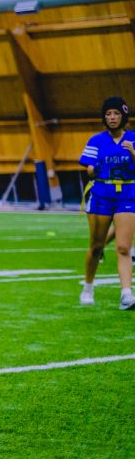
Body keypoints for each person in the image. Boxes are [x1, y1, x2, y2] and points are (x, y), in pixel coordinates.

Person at [78, 96, 134, 309]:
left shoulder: (133, 139)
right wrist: (92, 170)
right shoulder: (96, 140)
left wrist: (133, 153)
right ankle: (88, 286)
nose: (112, 117)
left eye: (116, 113)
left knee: (123, 247)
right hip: (101, 193)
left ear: (124, 116)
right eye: (108, 114)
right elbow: (89, 169)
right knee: (96, 246)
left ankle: (126, 295)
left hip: (127, 193)